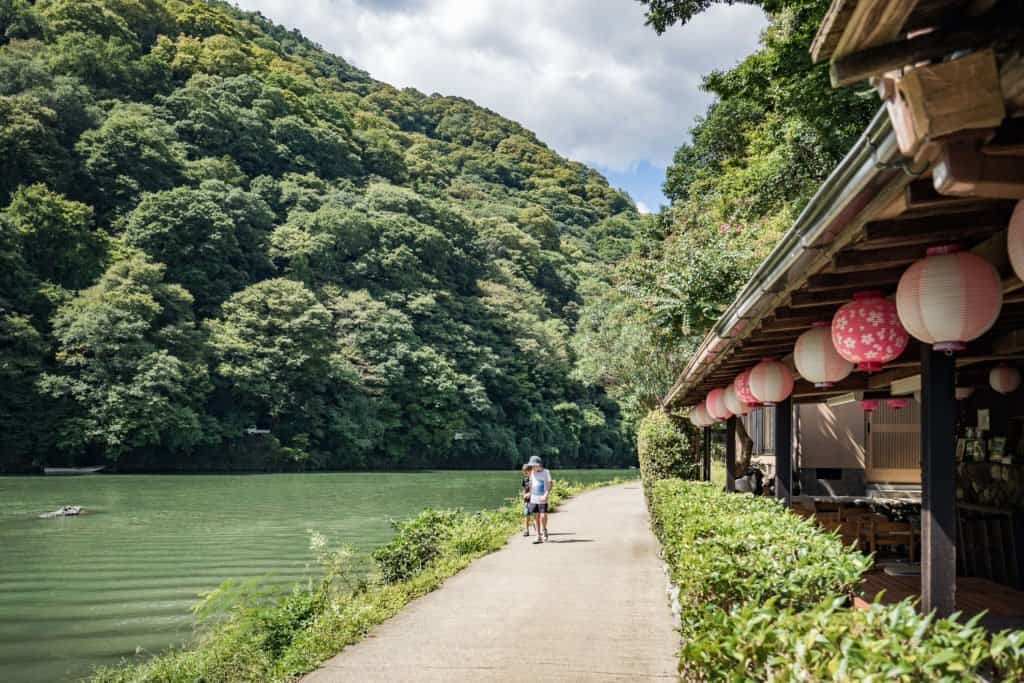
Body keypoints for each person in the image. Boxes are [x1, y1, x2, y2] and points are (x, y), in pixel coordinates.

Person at [526, 455, 552, 543]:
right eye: (532, 466)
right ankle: (538, 536)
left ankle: (544, 530)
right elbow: (531, 483)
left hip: (542, 498)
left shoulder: (546, 472)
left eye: (534, 465)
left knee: (543, 516)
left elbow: (550, 484)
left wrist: (546, 494)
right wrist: (529, 492)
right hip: (533, 498)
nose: (532, 467)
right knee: (535, 517)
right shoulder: (532, 472)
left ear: (539, 465)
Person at [521, 463, 533, 537]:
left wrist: (530, 494)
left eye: (526, 471)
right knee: (526, 514)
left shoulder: (534, 479)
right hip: (526, 500)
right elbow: (524, 489)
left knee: (535, 515)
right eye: (524, 471)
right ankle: (526, 530)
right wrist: (523, 496)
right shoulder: (525, 479)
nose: (525, 473)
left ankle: (538, 528)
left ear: (530, 471)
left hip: (534, 500)